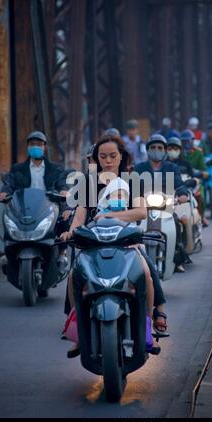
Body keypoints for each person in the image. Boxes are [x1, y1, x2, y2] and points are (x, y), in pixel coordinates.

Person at [60, 135, 168, 356]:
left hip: (126, 240)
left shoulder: (132, 180)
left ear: (121, 157)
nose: (108, 160)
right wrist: (69, 231)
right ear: (96, 158)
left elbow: (140, 212)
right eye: (103, 156)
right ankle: (80, 333)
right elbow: (80, 217)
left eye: (112, 156)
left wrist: (110, 214)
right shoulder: (89, 183)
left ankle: (148, 328)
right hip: (94, 240)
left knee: (146, 273)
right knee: (74, 277)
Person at [0, 131, 71, 268]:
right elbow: (9, 184)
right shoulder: (18, 169)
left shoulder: (56, 169)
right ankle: (10, 256)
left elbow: (62, 183)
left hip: (48, 206)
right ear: (27, 147)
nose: (35, 147)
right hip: (25, 209)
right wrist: (4, 192)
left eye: (39, 144)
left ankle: (62, 251)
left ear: (45, 147)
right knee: (9, 222)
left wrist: (63, 190)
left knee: (63, 218)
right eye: (32, 144)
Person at [134, 134, 191, 273]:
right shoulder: (139, 168)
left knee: (177, 224)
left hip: (167, 206)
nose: (156, 150)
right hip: (143, 207)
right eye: (153, 147)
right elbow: (131, 186)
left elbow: (179, 184)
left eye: (160, 147)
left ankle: (177, 258)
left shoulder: (171, 167)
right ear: (147, 150)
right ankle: (133, 257)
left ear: (165, 150)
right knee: (132, 228)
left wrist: (183, 194)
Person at [180, 130, 210, 227]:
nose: (187, 144)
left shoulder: (198, 153)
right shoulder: (178, 152)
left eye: (188, 141)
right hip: (179, 179)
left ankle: (201, 216)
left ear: (193, 141)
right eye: (184, 142)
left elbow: (203, 169)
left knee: (199, 196)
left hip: (194, 178)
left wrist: (200, 173)